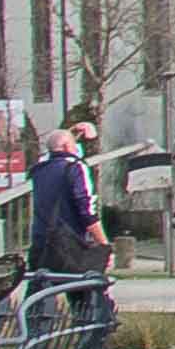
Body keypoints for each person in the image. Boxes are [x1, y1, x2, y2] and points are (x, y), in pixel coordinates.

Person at [27, 118, 114, 326]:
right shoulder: (76, 168)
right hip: (69, 246)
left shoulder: (39, 170)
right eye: (75, 146)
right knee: (88, 302)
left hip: (41, 245)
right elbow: (87, 211)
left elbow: (55, 149)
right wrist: (103, 245)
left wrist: (69, 134)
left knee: (39, 303)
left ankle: (32, 347)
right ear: (68, 147)